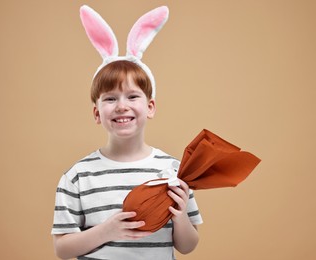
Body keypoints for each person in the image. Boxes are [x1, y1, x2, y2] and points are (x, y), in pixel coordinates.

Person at [51, 5, 203, 260]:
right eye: (110, 99)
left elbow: (187, 246)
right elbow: (62, 249)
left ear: (150, 107)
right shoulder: (77, 177)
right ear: (97, 114)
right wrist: (106, 231)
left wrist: (180, 215)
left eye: (133, 96)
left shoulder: (175, 171)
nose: (122, 106)